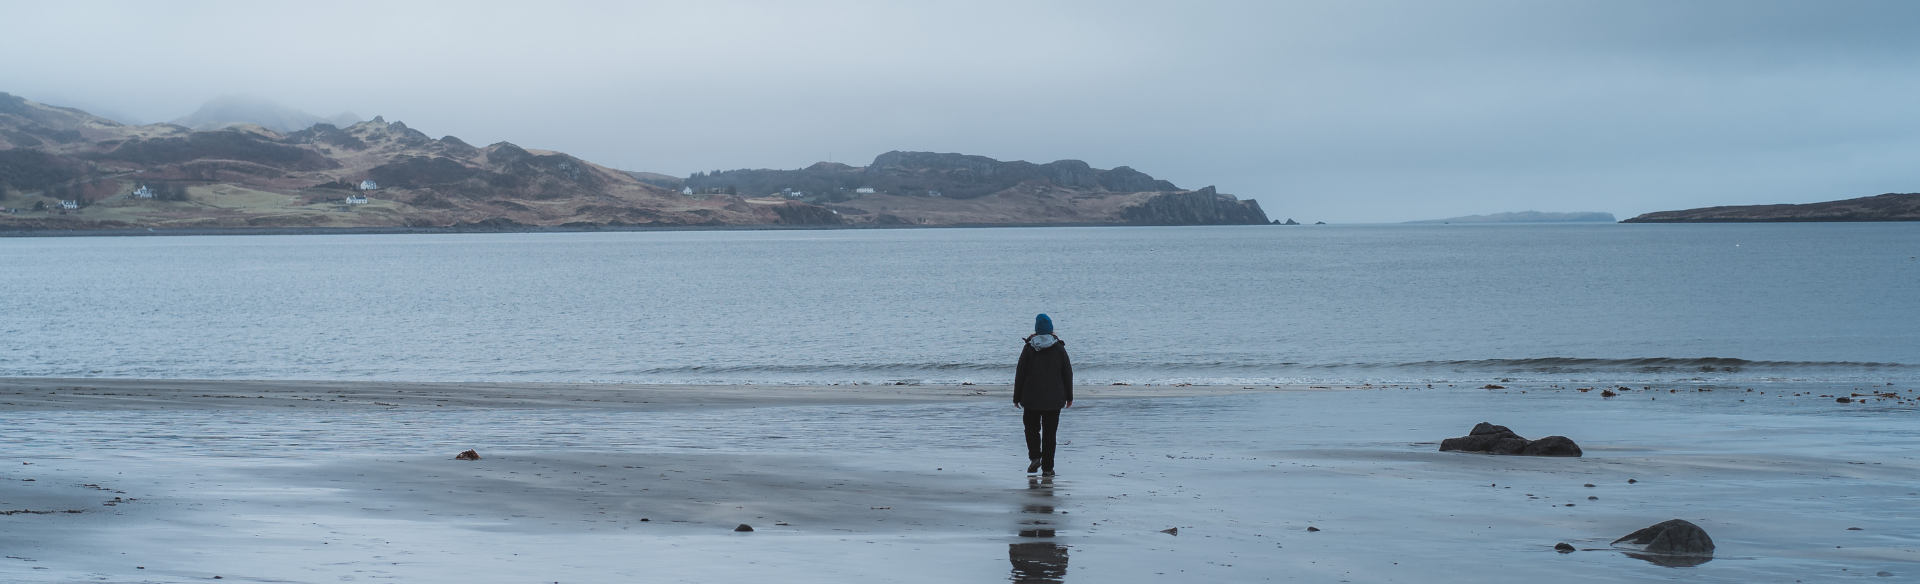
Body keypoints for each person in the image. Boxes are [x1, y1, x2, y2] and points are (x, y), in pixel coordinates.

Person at [1013, 313, 1072, 475]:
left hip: (1031, 398)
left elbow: (1020, 374)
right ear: (1051, 329)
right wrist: (1069, 397)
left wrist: (1016, 397)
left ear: (1037, 330)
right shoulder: (1059, 348)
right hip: (1054, 399)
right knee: (1050, 434)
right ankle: (1047, 468)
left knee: (1031, 429)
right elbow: (1067, 373)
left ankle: (1035, 457)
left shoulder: (1029, 348)